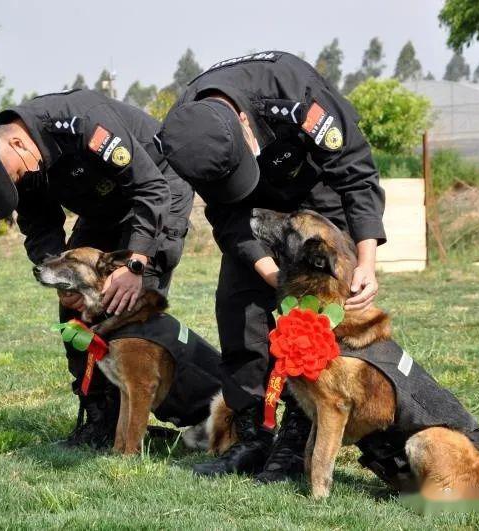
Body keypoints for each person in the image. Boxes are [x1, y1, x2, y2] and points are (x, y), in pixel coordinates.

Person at [158, 51, 386, 482]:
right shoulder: (187, 132)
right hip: (250, 213)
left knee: (317, 325)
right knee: (239, 314)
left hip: (315, 199)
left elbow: (356, 176)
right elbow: (225, 216)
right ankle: (252, 438)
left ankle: (297, 444)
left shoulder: (296, 93)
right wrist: (271, 275)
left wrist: (366, 262)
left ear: (245, 124)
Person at [0, 88, 194, 449]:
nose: (13, 182)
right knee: (73, 312)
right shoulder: (22, 162)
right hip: (103, 209)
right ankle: (99, 419)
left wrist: (137, 263)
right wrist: (64, 282)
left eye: (9, 176)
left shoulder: (81, 122)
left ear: (16, 142)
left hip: (156, 193)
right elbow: (40, 227)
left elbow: (151, 190)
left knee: (129, 307)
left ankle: (152, 411)